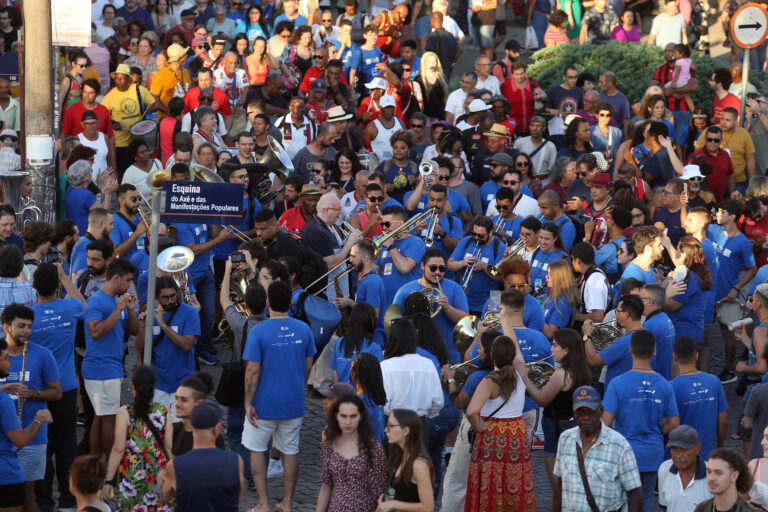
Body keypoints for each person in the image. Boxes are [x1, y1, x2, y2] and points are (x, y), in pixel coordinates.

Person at [242, 281, 316, 512]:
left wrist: (247, 402)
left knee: (256, 450)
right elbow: (308, 365)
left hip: (263, 404)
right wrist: (298, 386)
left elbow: (252, 370)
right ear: (291, 302)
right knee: (290, 450)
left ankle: (263, 503)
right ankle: (288, 503)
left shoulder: (258, 331)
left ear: (267, 303)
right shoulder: (304, 329)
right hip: (292, 401)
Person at [30, 262, 87, 512]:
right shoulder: (70, 307)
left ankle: (44, 500)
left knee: (41, 444)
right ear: (56, 285)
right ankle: (68, 499)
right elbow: (83, 304)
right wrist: (64, 277)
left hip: (39, 390)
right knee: (67, 445)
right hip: (66, 387)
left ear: (34, 286)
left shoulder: (28, 315)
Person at [602, 329, 680, 511]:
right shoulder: (664, 384)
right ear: (654, 351)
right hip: (653, 451)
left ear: (630, 350)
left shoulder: (617, 383)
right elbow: (674, 423)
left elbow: (605, 422)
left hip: (625, 452)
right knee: (645, 502)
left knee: (623, 502)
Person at [0, 303, 61, 509]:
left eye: (29, 326)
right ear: (6, 327)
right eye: (21, 326)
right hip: (3, 440)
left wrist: (34, 393)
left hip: (32, 439)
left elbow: (57, 392)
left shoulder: (43, 354)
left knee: (25, 497)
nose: (27, 331)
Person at [465, 334, 535, 511]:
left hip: (493, 435)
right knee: (514, 481)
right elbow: (518, 353)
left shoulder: (490, 380)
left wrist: (480, 427)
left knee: (491, 482)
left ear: (492, 355)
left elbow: (471, 411)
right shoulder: (520, 373)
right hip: (516, 433)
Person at [552, 385, 642, 511]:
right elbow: (559, 486)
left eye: (590, 411)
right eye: (580, 412)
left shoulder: (619, 444)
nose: (585, 417)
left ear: (601, 410)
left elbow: (635, 493)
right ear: (573, 412)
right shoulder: (565, 439)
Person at [82, 259, 139, 459]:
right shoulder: (96, 301)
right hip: (100, 368)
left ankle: (97, 462)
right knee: (109, 419)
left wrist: (130, 310)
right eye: (128, 281)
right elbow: (95, 332)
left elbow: (134, 330)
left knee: (100, 417)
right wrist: (117, 310)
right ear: (116, 278)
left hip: (111, 366)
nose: (130, 285)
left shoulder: (118, 300)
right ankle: (110, 467)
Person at [103, 365, 172, 511]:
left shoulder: (125, 412)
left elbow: (118, 448)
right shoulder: (164, 411)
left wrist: (108, 480)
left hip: (132, 475)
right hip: (160, 474)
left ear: (131, 385)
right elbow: (169, 447)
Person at [161, 400, 244, 511]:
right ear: (217, 428)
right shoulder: (235, 461)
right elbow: (237, 498)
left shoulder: (176, 465)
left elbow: (168, 499)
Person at [315, 394, 388, 512]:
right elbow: (326, 486)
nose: (348, 422)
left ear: (361, 416)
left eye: (353, 416)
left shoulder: (374, 449)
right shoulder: (329, 447)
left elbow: (381, 493)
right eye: (343, 416)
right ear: (336, 416)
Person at [583, 294, 646, 389]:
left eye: (618, 311)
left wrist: (587, 335)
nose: (616, 315)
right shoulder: (648, 337)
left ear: (626, 314)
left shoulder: (623, 343)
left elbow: (592, 360)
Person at [657, 425, 713, 511]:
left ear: (697, 448)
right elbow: (665, 507)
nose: (678, 455)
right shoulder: (664, 469)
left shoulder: (712, 474)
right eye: (674, 449)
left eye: (684, 449)